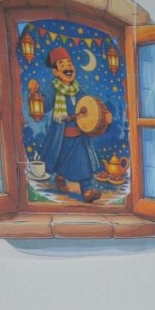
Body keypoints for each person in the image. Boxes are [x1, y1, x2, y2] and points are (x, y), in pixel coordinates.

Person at [38, 46, 107, 203]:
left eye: (70, 64)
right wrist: (37, 97)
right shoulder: (53, 88)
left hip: (79, 135)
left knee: (83, 161)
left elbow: (89, 104)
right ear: (56, 72)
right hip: (61, 136)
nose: (68, 68)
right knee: (61, 160)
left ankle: (87, 190)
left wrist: (102, 115)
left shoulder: (78, 88)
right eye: (63, 65)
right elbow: (46, 105)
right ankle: (61, 177)